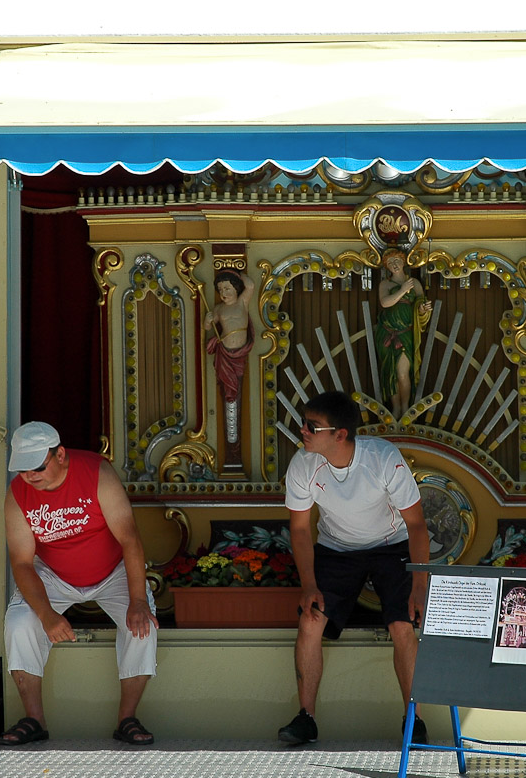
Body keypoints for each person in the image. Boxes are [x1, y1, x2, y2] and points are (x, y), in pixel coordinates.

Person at [277, 391, 430, 745]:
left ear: (340, 434)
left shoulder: (382, 458)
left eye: (312, 426)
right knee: (310, 618)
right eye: (303, 423)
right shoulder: (302, 464)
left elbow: (417, 525)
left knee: (402, 624)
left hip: (391, 546)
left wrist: (419, 587)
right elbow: (300, 530)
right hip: (336, 548)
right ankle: (305, 718)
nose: (303, 431)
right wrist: (309, 584)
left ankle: (414, 721)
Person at [1, 421, 158, 746]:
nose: (30, 476)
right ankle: (34, 719)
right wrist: (46, 614)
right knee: (19, 623)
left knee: (142, 626)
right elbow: (22, 563)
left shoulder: (96, 473)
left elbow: (129, 539)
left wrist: (138, 601)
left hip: (113, 570)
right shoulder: (17, 493)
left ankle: (127, 719)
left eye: (37, 467)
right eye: (23, 469)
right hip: (53, 573)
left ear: (59, 454)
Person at [374, 249, 430, 419]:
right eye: (390, 263)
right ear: (387, 267)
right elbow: (385, 302)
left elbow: (420, 304)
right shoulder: (385, 285)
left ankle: (405, 406)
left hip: (405, 334)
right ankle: (396, 408)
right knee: (390, 373)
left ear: (403, 262)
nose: (394, 265)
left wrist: (422, 309)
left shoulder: (415, 283)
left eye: (397, 260)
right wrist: (403, 290)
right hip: (387, 334)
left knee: (403, 373)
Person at [203, 270, 256, 406]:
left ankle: (235, 405)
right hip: (224, 351)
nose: (223, 293)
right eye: (220, 290)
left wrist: (237, 273)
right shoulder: (219, 309)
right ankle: (229, 401)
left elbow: (250, 286)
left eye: (227, 289)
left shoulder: (242, 302)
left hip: (240, 351)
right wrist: (207, 321)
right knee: (226, 381)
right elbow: (208, 328)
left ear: (236, 288)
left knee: (238, 379)